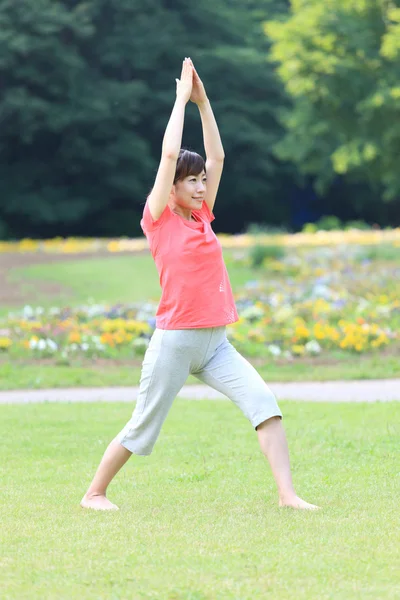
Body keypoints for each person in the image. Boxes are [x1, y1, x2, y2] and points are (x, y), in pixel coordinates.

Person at [80, 57, 320, 511]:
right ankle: (94, 493)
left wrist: (204, 103)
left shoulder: (203, 216)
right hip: (175, 341)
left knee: (264, 404)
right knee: (142, 426)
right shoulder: (159, 219)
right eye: (190, 181)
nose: (199, 185)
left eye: (202, 180)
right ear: (171, 188)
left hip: (215, 343)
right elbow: (171, 155)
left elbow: (218, 156)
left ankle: (288, 496)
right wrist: (179, 103)